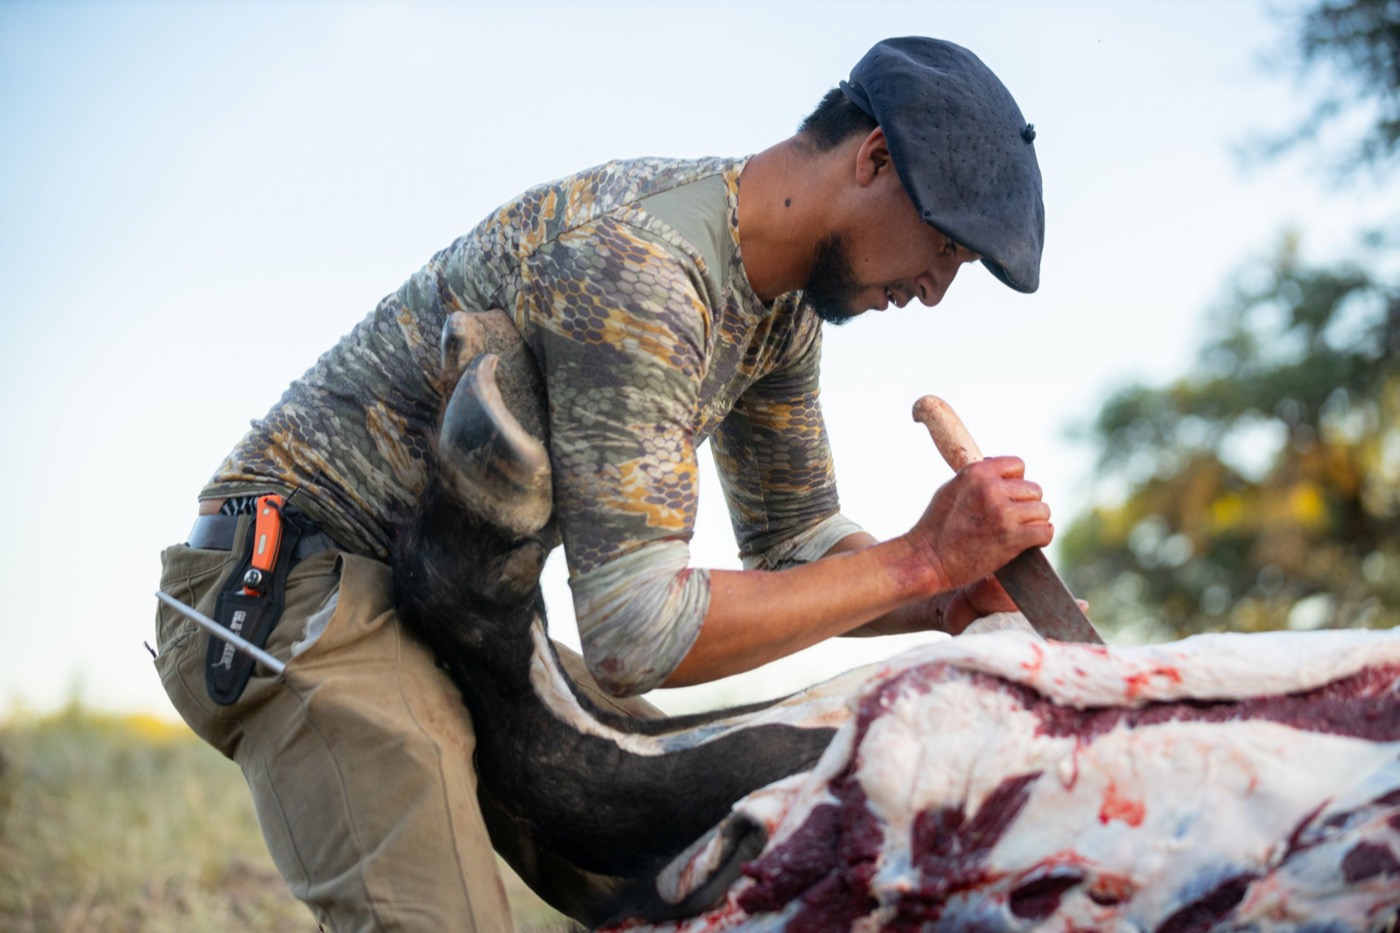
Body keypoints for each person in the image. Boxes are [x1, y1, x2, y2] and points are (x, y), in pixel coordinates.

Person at [153, 35, 1049, 931]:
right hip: (302, 582)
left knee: (726, 863)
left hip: (464, 602)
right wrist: (921, 562)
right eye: (944, 242)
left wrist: (945, 598)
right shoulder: (642, 267)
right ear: (875, 158)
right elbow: (635, 633)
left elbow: (795, 538)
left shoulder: (776, 309)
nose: (935, 289)